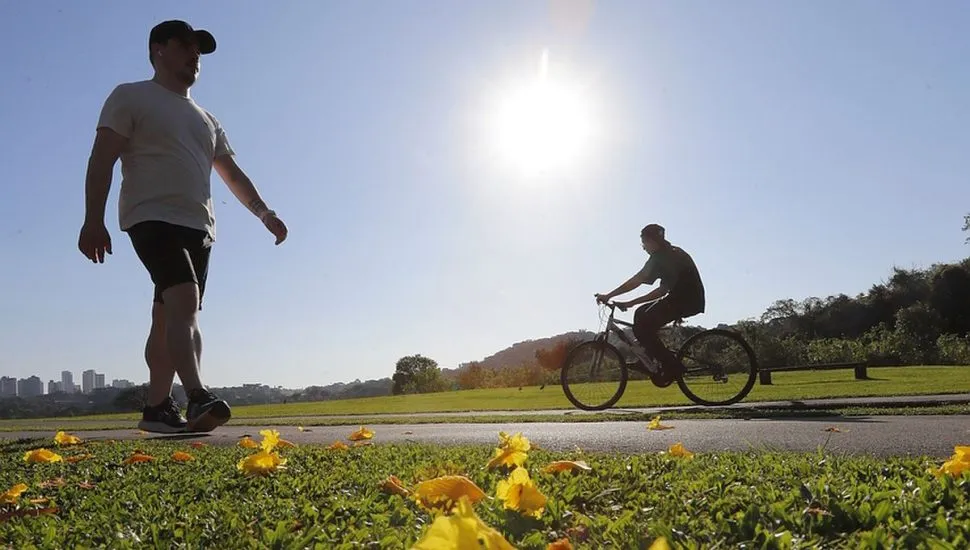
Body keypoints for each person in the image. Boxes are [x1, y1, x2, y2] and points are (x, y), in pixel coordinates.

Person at [77, 20, 288, 433]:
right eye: (185, 46)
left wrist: (264, 213)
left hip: (199, 226)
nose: (195, 56)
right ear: (158, 49)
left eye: (199, 50)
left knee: (169, 315)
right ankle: (196, 395)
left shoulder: (207, 119)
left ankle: (156, 408)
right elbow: (101, 157)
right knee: (185, 299)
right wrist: (92, 219)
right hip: (150, 215)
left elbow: (232, 175)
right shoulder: (131, 96)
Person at [594, 224, 705, 387]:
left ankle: (672, 366)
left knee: (642, 326)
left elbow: (637, 280)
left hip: (684, 300)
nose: (644, 247)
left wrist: (609, 295)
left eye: (644, 243)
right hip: (687, 299)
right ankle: (650, 359)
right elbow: (661, 290)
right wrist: (631, 303)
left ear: (652, 241)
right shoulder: (671, 253)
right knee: (640, 314)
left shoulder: (660, 257)